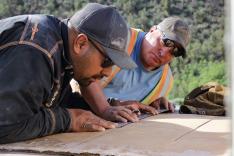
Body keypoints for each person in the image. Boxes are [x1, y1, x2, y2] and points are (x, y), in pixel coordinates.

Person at [0, 3, 155, 144]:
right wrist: (69, 120)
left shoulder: (60, 47)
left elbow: (50, 99)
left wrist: (106, 108)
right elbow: (6, 125)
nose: (107, 72)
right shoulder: (36, 51)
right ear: (80, 44)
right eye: (107, 61)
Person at [71, 16, 190, 115]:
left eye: (175, 52)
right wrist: (110, 106)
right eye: (166, 42)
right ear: (153, 30)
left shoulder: (165, 81)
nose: (163, 52)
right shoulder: (119, 40)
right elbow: (81, 80)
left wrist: (154, 102)